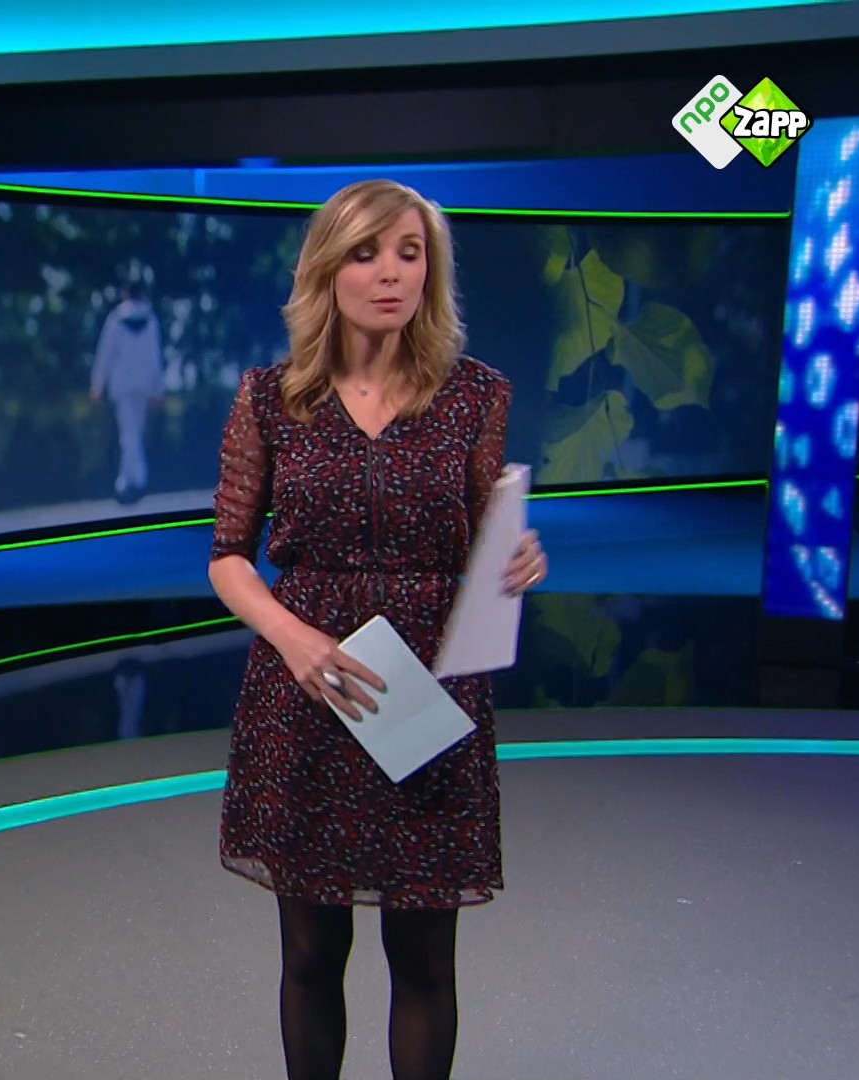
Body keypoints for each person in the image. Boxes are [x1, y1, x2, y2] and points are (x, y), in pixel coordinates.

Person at [206, 179, 548, 1080]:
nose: (391, 273)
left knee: (425, 958)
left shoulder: (474, 397)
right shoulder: (271, 398)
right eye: (366, 253)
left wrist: (517, 556)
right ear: (327, 269)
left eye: (410, 252)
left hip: (426, 695)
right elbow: (228, 557)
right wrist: (295, 639)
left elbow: (486, 536)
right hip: (307, 696)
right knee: (311, 955)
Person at [90, 282, 165, 503]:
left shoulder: (116, 319)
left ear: (125, 294)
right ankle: (126, 481)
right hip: (143, 384)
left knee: (129, 433)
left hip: (122, 384)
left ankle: (135, 480)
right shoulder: (151, 320)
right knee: (133, 433)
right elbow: (155, 357)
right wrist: (158, 389)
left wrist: (98, 384)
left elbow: (105, 353)